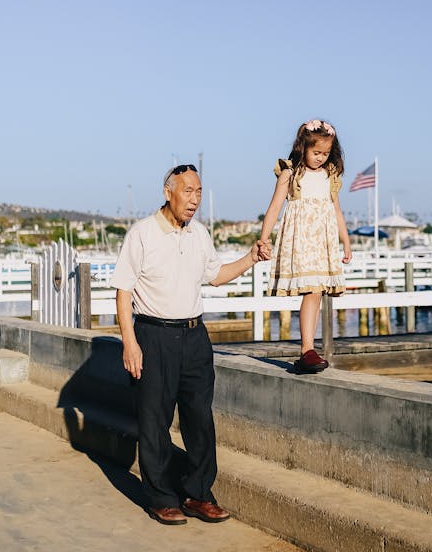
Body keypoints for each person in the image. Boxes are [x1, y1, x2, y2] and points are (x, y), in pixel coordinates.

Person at [113, 163, 261, 526]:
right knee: (155, 420)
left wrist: (251, 258)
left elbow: (217, 276)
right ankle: (162, 497)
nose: (194, 200)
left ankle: (198, 494)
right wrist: (129, 342)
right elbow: (123, 291)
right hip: (153, 334)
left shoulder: (200, 235)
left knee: (200, 420)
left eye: (198, 192)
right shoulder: (142, 233)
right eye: (188, 191)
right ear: (169, 192)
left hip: (195, 336)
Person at [258, 119, 352, 374]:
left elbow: (337, 211)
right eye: (316, 152)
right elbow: (275, 207)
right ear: (303, 148)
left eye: (325, 153)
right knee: (311, 290)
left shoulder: (329, 175)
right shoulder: (291, 173)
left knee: (316, 292)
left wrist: (346, 241)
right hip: (301, 240)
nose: (321, 158)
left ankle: (308, 350)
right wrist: (263, 239)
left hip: (322, 241)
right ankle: (307, 349)